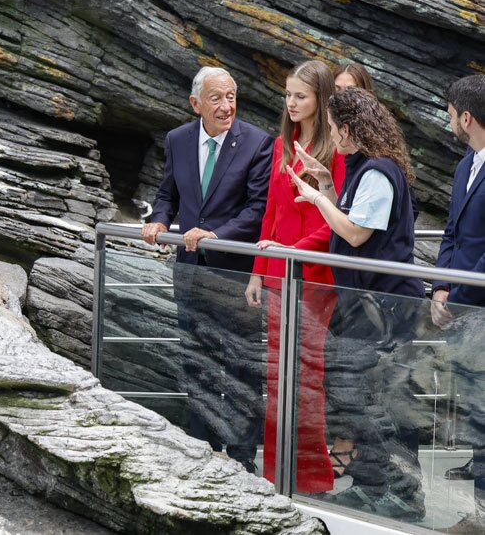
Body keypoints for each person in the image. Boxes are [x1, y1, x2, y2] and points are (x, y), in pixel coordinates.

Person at [291, 87, 425, 520]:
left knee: (370, 402)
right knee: (356, 399)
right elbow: (354, 218)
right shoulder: (364, 168)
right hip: (364, 307)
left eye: (333, 128)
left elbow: (354, 234)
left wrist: (315, 198)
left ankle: (402, 493)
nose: (331, 135)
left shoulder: (379, 173)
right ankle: (372, 486)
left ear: (349, 130)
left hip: (382, 310)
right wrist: (328, 183)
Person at [142, 66, 273, 472]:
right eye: (216, 98)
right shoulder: (177, 139)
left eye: (231, 96)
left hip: (235, 274)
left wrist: (216, 233)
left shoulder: (257, 142)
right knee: (195, 357)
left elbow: (257, 210)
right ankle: (200, 443)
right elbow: (168, 194)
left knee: (240, 363)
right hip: (189, 272)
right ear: (196, 103)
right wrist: (159, 220)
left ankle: (241, 454)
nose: (226, 106)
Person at [244, 60, 345, 493]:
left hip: (314, 276)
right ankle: (275, 471)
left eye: (300, 96)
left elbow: (334, 221)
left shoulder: (337, 150)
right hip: (277, 276)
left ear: (321, 99)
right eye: (288, 95)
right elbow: (270, 214)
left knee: (307, 376)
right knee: (276, 377)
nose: (292, 103)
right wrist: (257, 273)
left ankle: (312, 476)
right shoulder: (282, 144)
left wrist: (292, 253)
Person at [429, 74, 485, 534]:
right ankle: (473, 512)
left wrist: (460, 297)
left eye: (450, 114)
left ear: (466, 117)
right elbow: (452, 231)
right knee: (468, 403)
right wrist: (439, 288)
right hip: (462, 302)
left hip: (481, 305)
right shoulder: (466, 162)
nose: (448, 121)